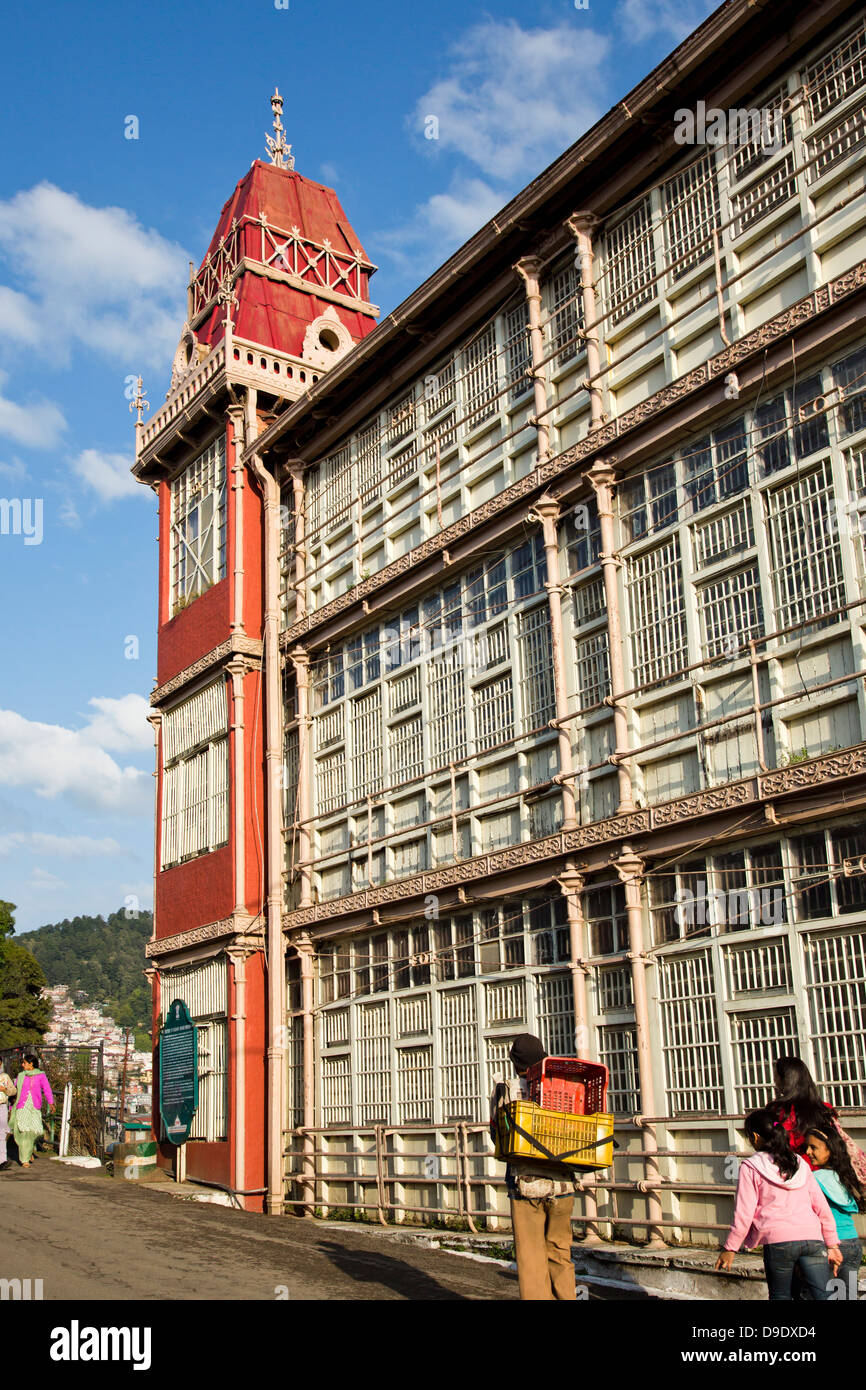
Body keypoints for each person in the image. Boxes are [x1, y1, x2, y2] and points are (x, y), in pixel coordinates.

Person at [715, 1107, 842, 1300]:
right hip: (812, 1238)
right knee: (824, 1296)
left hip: (778, 1242)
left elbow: (743, 1214)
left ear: (756, 1137)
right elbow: (821, 1207)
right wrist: (832, 1244)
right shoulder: (800, 1163)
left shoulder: (751, 1167)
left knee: (781, 1296)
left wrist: (730, 1248)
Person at [490, 1033, 577, 1301]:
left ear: (515, 1062)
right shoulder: (562, 1087)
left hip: (525, 1186)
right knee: (560, 1253)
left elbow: (496, 1135)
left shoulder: (505, 1089)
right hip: (562, 1186)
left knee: (531, 1259)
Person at [805, 1125, 864, 1300]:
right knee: (849, 1297)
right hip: (852, 1244)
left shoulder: (814, 1180)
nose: (808, 1152)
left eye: (813, 1147)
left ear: (829, 1149)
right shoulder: (846, 1177)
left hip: (830, 1246)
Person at [767, 1056, 836, 1166]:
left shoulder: (779, 1111)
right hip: (824, 1171)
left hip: (792, 1171)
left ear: (785, 1079)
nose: (774, 1080)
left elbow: (774, 1143)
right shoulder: (824, 1109)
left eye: (776, 1076)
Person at [10, 1052, 54, 1167]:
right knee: (24, 1131)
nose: (22, 1065)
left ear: (31, 1064)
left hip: (35, 1106)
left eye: (24, 1063)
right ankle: (24, 1159)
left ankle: (28, 1149)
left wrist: (51, 1103)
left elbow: (47, 1089)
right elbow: (15, 1092)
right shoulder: (20, 1076)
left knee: (37, 1130)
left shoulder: (41, 1075)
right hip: (22, 1106)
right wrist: (11, 1106)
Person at [0, 1056, 16, 1172]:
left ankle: (2, 1160)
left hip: (2, 1106)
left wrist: (4, 1089)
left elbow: (13, 1090)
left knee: (2, 1134)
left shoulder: (4, 1077)